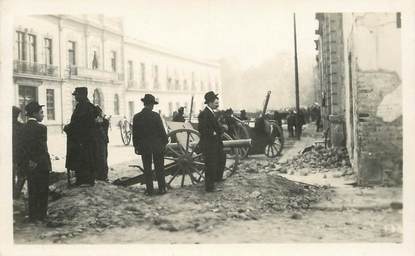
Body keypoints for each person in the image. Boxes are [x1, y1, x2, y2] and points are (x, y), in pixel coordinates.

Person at [21, 102, 51, 222]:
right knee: (43, 190)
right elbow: (42, 148)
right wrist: (36, 160)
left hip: (29, 165)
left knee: (32, 189)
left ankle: (33, 215)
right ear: (34, 114)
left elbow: (22, 148)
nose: (43, 115)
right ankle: (42, 215)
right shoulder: (42, 128)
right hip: (41, 164)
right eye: (41, 113)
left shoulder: (23, 128)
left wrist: (29, 161)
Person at [132, 94, 168, 195]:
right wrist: (165, 142)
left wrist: (136, 146)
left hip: (144, 147)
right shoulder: (156, 116)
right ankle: (162, 189)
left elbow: (135, 134)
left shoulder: (137, 117)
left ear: (144, 104)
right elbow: (162, 131)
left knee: (147, 169)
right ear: (152, 105)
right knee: (159, 168)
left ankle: (150, 190)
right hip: (157, 146)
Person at [64, 87, 97, 186]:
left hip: (82, 138)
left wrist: (68, 127)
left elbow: (79, 123)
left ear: (82, 95)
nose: (75, 97)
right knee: (85, 158)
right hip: (86, 138)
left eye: (77, 95)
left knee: (83, 159)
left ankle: (84, 180)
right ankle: (86, 180)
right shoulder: (87, 106)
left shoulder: (83, 107)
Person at [198, 91, 226, 192]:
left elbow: (216, 128)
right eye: (216, 103)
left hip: (215, 143)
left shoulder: (211, 113)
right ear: (209, 103)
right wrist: (214, 133)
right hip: (209, 144)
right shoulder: (204, 114)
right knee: (210, 165)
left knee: (220, 159)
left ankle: (216, 181)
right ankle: (209, 187)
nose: (217, 105)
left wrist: (219, 130)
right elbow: (202, 129)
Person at [94, 106, 110, 181]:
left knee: (102, 157)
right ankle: (101, 174)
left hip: (102, 141)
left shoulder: (104, 121)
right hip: (100, 141)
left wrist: (99, 123)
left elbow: (104, 129)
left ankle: (103, 175)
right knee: (101, 157)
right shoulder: (101, 121)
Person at [12, 106, 25, 199]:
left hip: (10, 156)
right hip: (20, 155)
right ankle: (16, 194)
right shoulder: (21, 126)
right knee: (21, 175)